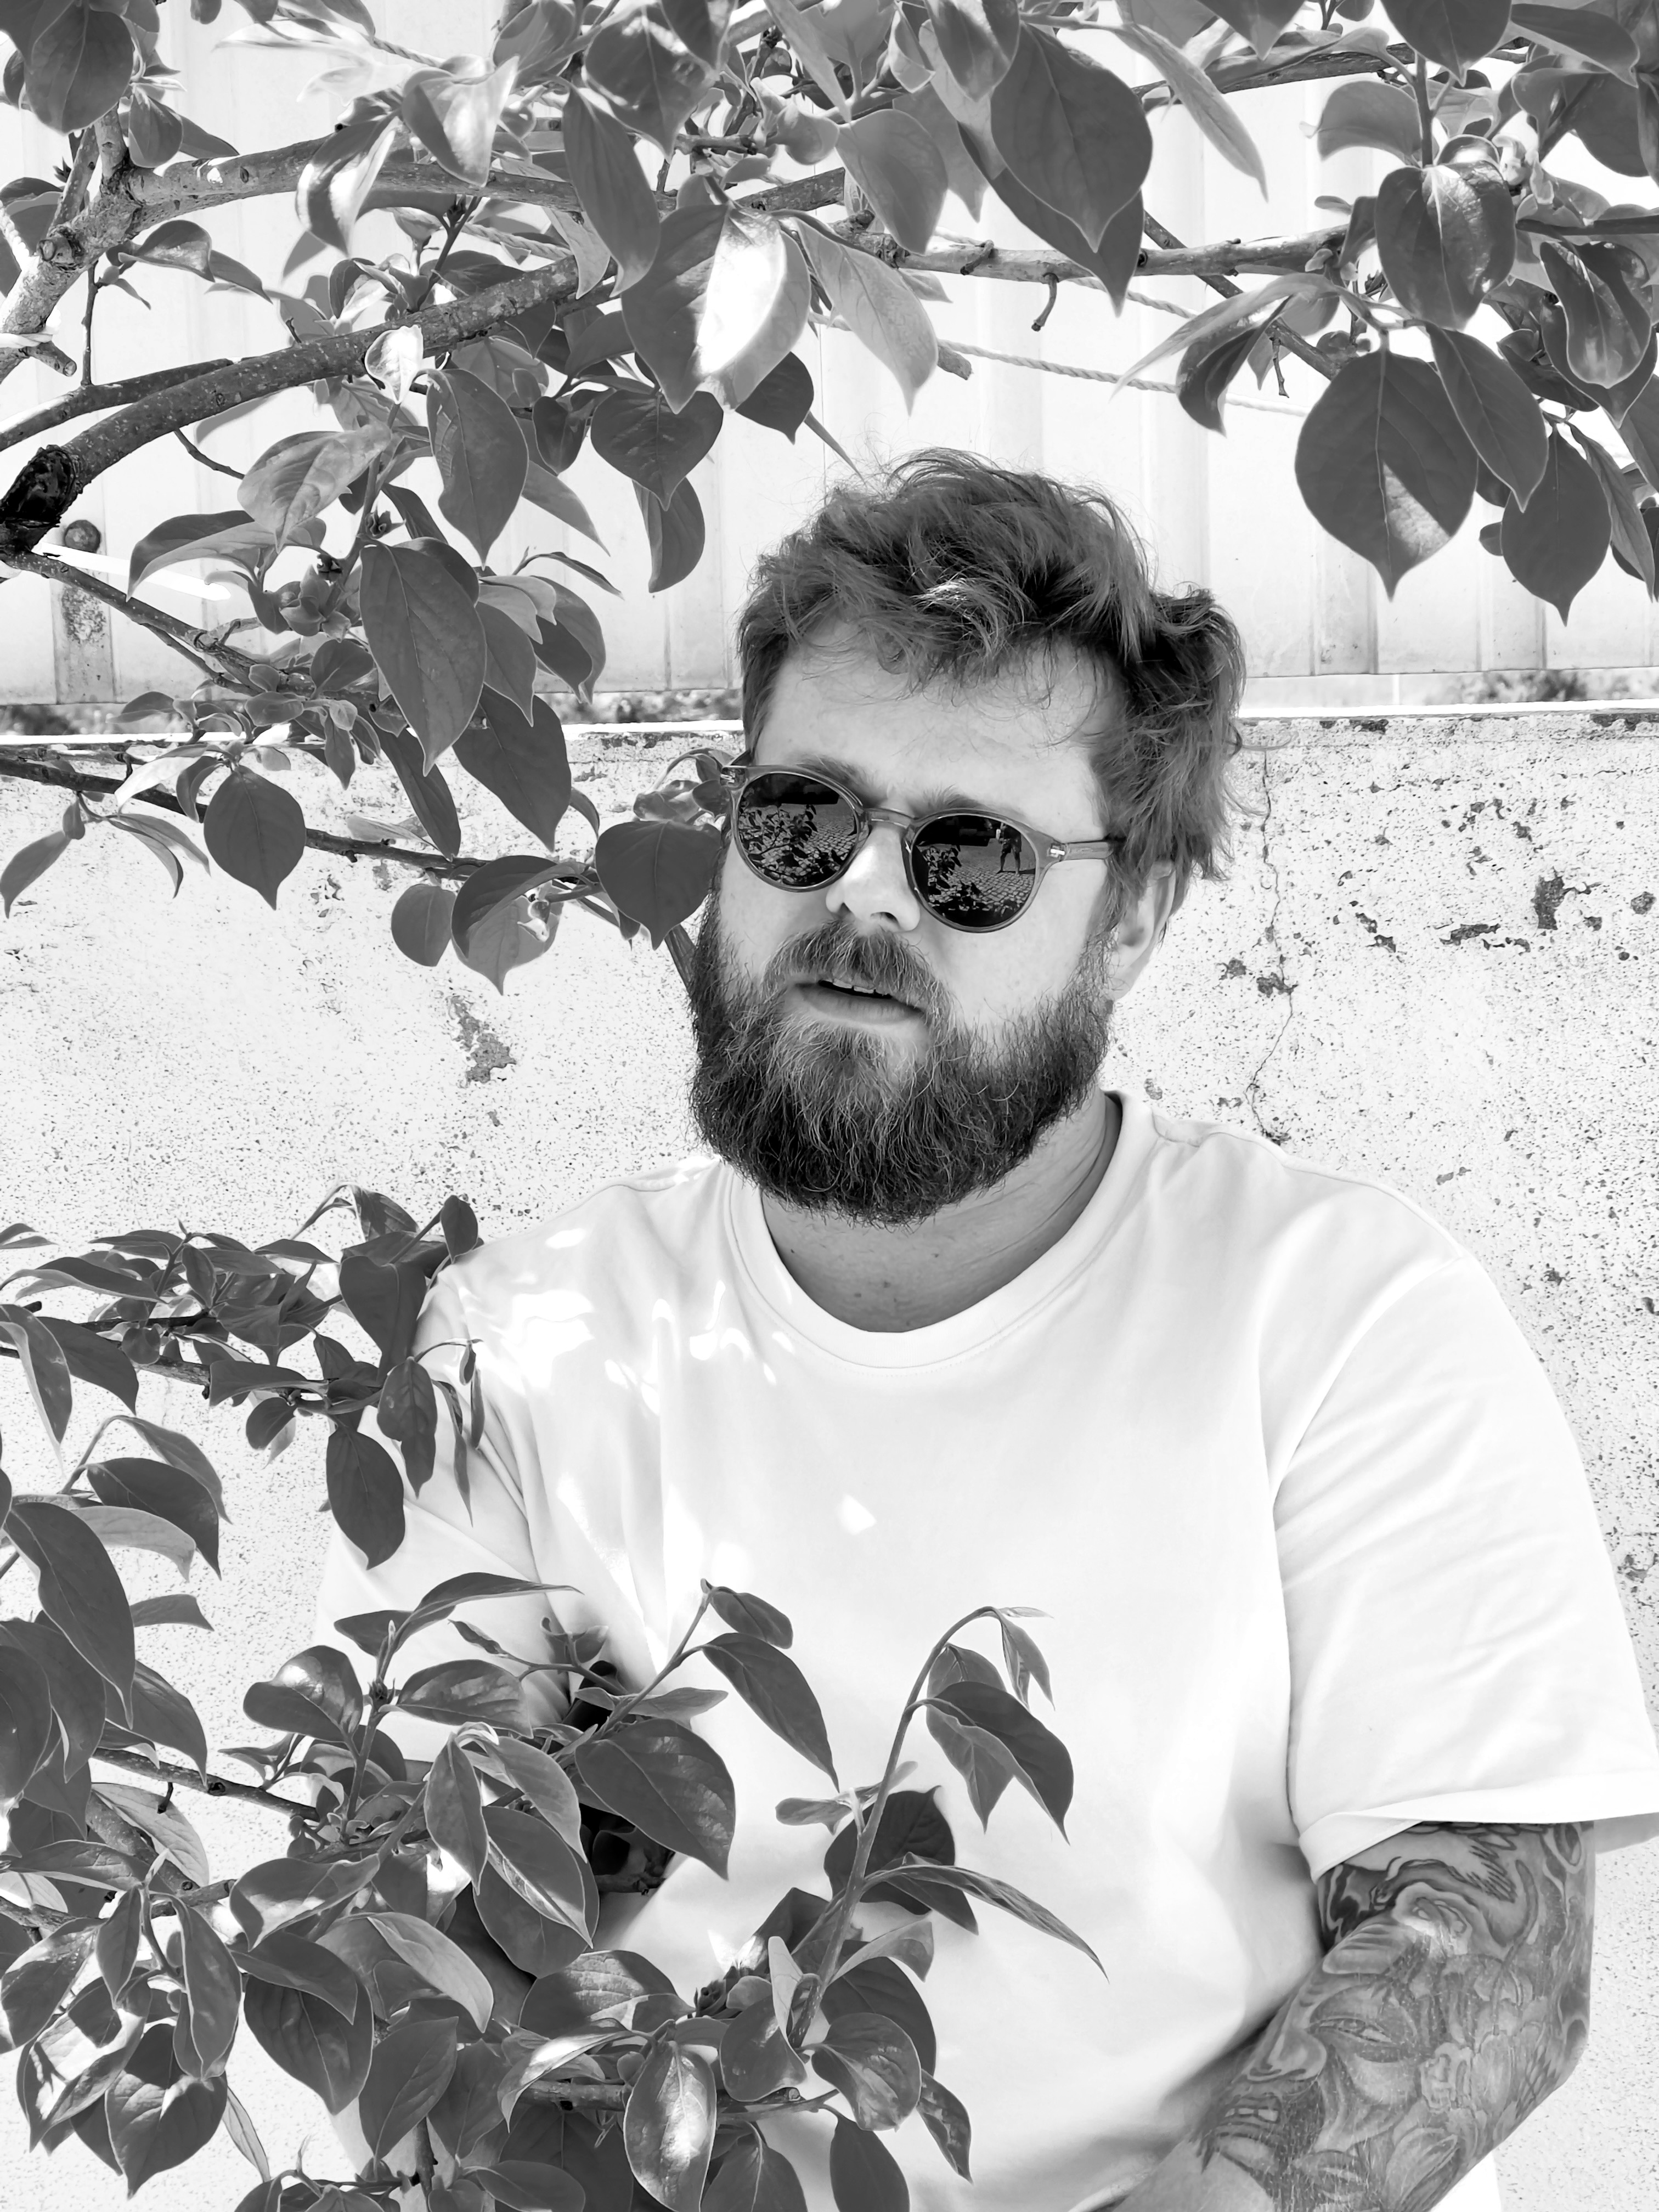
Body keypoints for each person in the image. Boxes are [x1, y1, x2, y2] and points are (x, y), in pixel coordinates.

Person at [317, 453, 1659, 2212]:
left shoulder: (1338, 1316)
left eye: (972, 858)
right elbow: (437, 1932)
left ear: (1139, 915)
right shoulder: (530, 1347)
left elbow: (1488, 1946)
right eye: (802, 819)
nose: (863, 900)